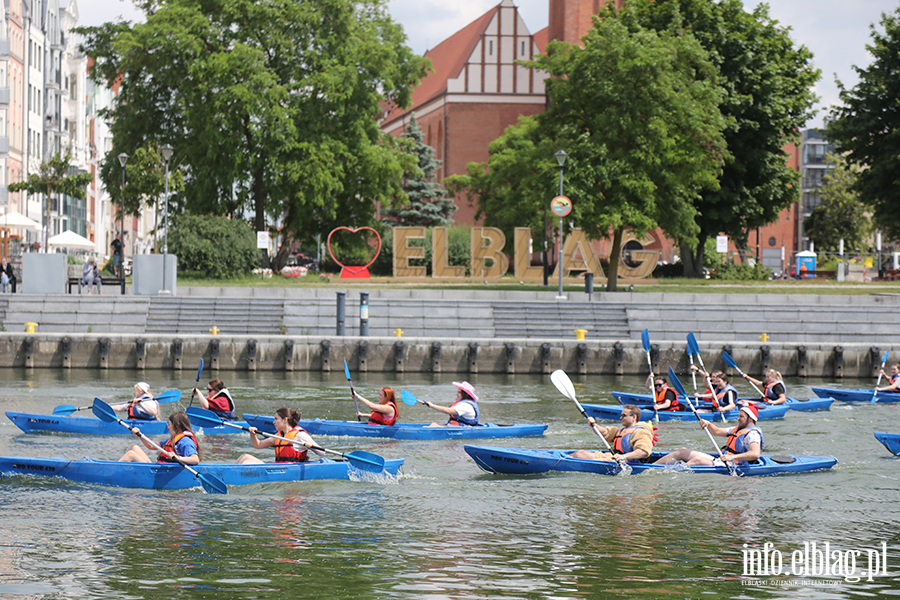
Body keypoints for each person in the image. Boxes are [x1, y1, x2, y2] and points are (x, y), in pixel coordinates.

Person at [653, 405, 763, 466]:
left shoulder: (752, 434)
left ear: (751, 419)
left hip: (735, 464)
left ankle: (674, 471)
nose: (738, 418)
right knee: (682, 451)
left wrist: (732, 457)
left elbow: (755, 454)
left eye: (741, 417)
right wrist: (708, 424)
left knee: (698, 460)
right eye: (738, 416)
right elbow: (717, 431)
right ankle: (654, 466)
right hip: (723, 460)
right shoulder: (738, 428)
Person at [234, 408, 325, 464]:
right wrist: (252, 434)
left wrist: (311, 446)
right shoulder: (279, 435)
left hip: (290, 470)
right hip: (279, 468)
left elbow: (322, 453)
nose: (273, 422)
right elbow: (258, 445)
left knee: (247, 462)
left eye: (276, 419)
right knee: (245, 456)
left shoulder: (300, 435)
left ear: (285, 420)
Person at [570, 404, 656, 462]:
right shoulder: (622, 430)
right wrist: (593, 424)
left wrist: (623, 457)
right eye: (621, 415)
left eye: (623, 415)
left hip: (626, 462)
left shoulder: (641, 432)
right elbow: (604, 432)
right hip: (616, 458)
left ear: (634, 417)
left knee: (580, 454)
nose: (620, 418)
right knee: (580, 453)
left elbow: (643, 452)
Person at [119, 411, 200, 464]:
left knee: (130, 455)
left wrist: (178, 458)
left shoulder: (185, 441)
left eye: (169, 424)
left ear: (176, 425)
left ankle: (110, 473)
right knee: (133, 447)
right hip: (159, 469)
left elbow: (195, 459)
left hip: (165, 473)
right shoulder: (172, 439)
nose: (168, 427)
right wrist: (140, 435)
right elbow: (151, 446)